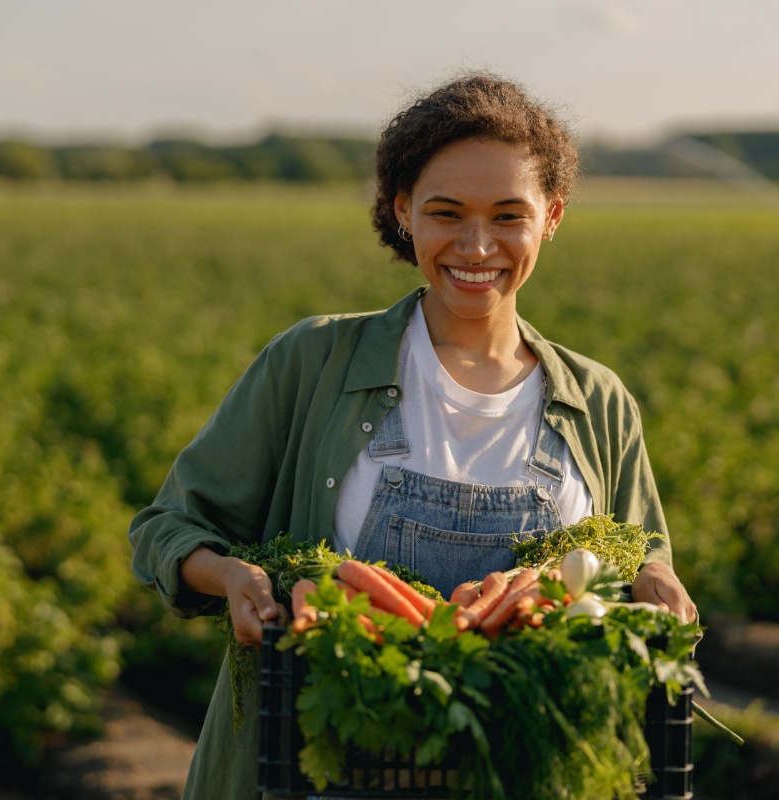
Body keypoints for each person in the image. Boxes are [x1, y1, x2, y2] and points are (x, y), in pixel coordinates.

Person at [129, 73, 697, 800]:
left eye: (508, 215)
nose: (477, 244)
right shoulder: (314, 364)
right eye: (447, 212)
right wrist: (236, 578)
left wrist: (655, 579)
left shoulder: (598, 403)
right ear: (403, 212)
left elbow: (641, 557)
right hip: (325, 771)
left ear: (551, 217)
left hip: (531, 773)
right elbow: (168, 528)